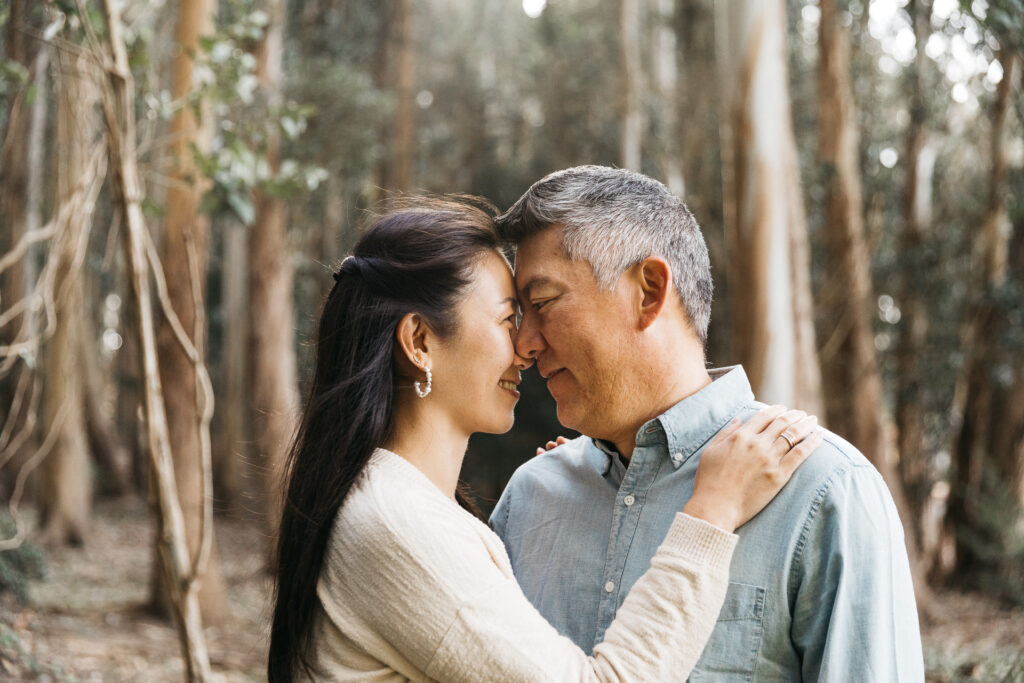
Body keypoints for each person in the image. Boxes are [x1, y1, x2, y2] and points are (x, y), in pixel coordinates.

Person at [267, 198, 822, 682]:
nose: (527, 347)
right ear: (419, 341)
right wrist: (711, 515)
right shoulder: (393, 521)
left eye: (537, 311)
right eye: (509, 319)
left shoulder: (414, 510)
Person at [490, 165, 925, 681]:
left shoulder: (827, 491)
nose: (525, 342)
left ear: (649, 291)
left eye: (542, 303)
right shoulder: (529, 499)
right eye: (520, 315)